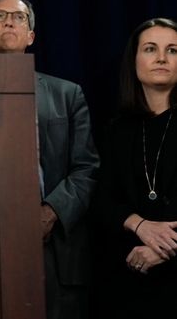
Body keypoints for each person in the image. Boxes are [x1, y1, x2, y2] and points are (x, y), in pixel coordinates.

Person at [0, 0, 98, 319]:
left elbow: (86, 167)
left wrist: (50, 213)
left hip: (53, 248)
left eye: (19, 17)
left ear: (30, 36)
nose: (8, 21)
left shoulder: (66, 94)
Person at [93, 18, 177, 318]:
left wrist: (164, 250)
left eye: (173, 50)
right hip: (126, 277)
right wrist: (138, 224)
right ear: (135, 60)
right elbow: (101, 200)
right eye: (151, 48)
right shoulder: (117, 129)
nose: (161, 58)